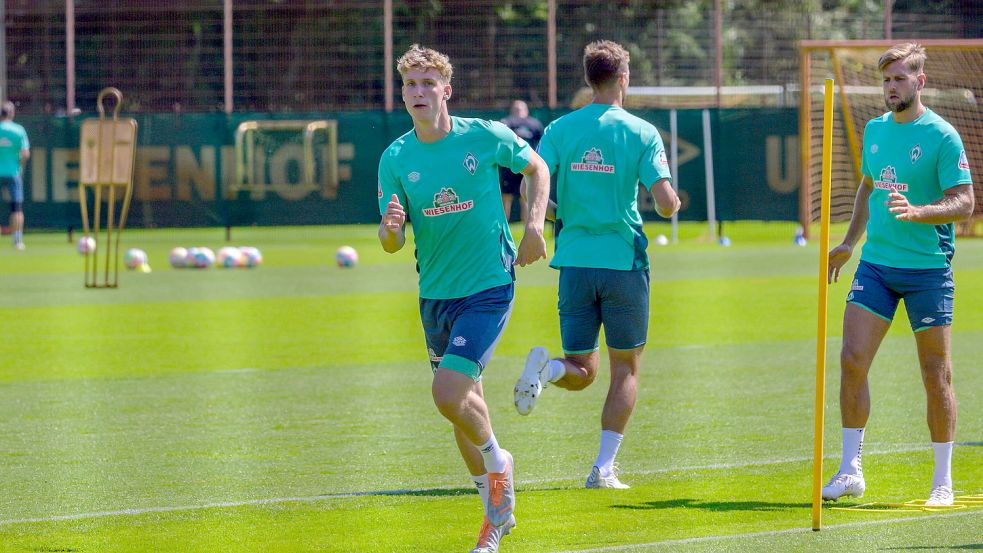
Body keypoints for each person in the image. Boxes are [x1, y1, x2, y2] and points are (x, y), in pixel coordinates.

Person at [378, 44, 550, 552]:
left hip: (488, 286)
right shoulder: (396, 157)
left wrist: (535, 227)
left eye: (428, 83)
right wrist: (390, 229)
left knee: (448, 394)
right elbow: (391, 242)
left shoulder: (483, 135)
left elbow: (536, 168)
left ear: (446, 90)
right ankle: (495, 519)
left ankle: (500, 463)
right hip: (435, 294)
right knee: (462, 409)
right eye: (410, 84)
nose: (418, 92)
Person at [513, 40, 680, 489]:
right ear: (624, 78)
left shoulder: (559, 129)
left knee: (581, 369)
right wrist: (673, 198)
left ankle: (546, 371)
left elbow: (537, 186)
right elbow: (665, 204)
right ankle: (603, 468)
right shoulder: (642, 132)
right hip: (623, 263)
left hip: (573, 264)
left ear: (588, 79)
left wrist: (547, 217)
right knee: (624, 368)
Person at [822, 43, 975, 507]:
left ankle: (943, 481)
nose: (892, 86)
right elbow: (867, 187)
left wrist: (921, 210)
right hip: (877, 267)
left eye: (900, 78)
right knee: (852, 360)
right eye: (886, 79)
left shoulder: (944, 136)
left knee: (935, 374)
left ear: (920, 81)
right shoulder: (873, 130)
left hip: (928, 271)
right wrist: (849, 242)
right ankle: (851, 470)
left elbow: (964, 202)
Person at [499, 100, 543, 223]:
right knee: (506, 197)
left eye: (521, 108)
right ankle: (502, 229)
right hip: (509, 166)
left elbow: (541, 145)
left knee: (526, 197)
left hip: (528, 166)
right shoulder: (506, 123)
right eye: (516, 109)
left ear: (527, 110)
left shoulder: (534, 124)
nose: (519, 111)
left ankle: (529, 229)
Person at [0, 101, 30, 250]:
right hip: (13, 173)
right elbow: (25, 154)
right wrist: (19, 165)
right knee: (17, 208)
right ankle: (17, 240)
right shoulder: (19, 130)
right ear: (11, 113)